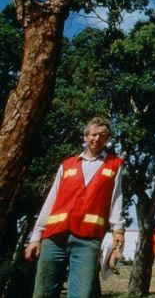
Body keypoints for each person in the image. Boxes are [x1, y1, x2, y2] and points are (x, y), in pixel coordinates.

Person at [24, 117, 125, 298]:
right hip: (54, 237)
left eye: (102, 136)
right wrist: (36, 236)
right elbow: (51, 200)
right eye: (93, 134)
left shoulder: (114, 165)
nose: (97, 139)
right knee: (43, 292)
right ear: (85, 137)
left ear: (107, 140)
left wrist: (118, 231)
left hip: (88, 239)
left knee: (81, 294)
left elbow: (116, 198)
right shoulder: (67, 165)